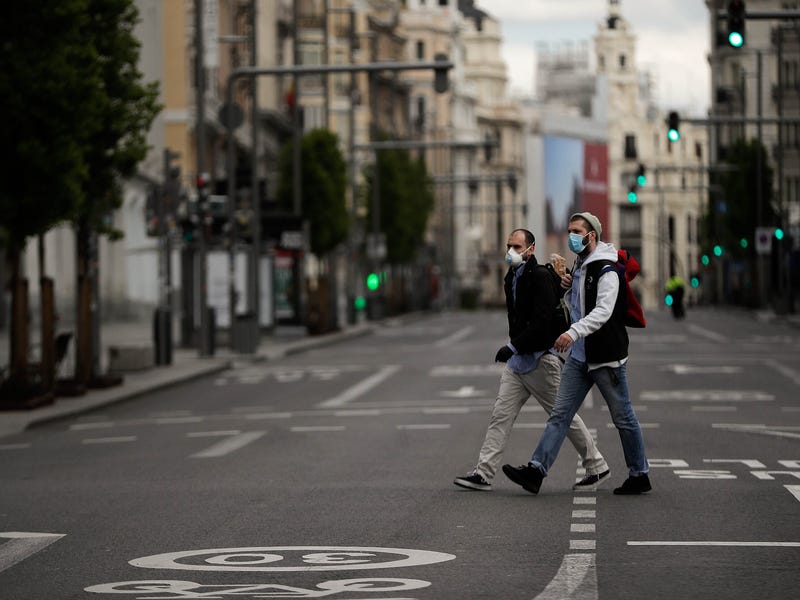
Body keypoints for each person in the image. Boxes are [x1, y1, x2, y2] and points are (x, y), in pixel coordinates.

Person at [502, 213, 651, 495]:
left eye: (576, 231)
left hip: (606, 356)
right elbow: (581, 306)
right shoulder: (581, 264)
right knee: (560, 414)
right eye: (570, 229)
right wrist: (568, 290)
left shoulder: (606, 268)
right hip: (581, 357)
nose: (571, 235)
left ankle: (639, 473)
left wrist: (572, 333)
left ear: (591, 235)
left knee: (623, 417)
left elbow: (603, 312)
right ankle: (536, 470)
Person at [454, 228, 609, 492]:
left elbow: (542, 321)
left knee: (564, 417)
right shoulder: (510, 277)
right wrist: (514, 349)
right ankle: (484, 472)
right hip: (518, 365)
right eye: (509, 246)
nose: (511, 252)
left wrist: (512, 346)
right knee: (500, 417)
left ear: (530, 249)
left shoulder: (538, 276)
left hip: (540, 362)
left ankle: (596, 465)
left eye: (516, 247)